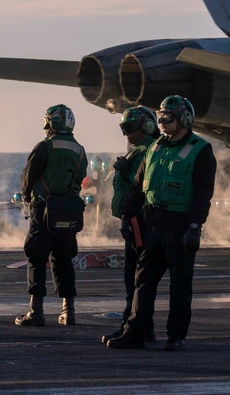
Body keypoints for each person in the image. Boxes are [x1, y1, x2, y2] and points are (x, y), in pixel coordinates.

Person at [107, 95, 217, 351]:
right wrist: (127, 215)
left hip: (180, 227)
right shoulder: (155, 147)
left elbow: (203, 193)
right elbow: (138, 186)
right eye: (160, 117)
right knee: (143, 281)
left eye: (168, 117)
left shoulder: (200, 150)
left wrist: (194, 227)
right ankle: (135, 333)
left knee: (180, 285)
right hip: (153, 224)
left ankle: (176, 336)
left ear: (184, 119)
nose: (162, 122)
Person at [15, 104, 87, 327]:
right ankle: (68, 311)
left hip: (43, 209)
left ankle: (36, 311)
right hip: (68, 210)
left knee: (36, 256)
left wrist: (27, 196)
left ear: (52, 123)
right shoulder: (80, 150)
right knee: (64, 258)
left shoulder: (45, 146)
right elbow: (80, 179)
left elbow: (28, 178)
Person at [101, 106, 159, 345]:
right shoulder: (143, 149)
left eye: (129, 128)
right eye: (123, 128)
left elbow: (141, 183)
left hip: (139, 220)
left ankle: (134, 327)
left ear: (145, 126)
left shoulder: (149, 150)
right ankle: (141, 327)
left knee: (134, 277)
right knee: (137, 277)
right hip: (135, 219)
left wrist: (125, 172)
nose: (126, 133)